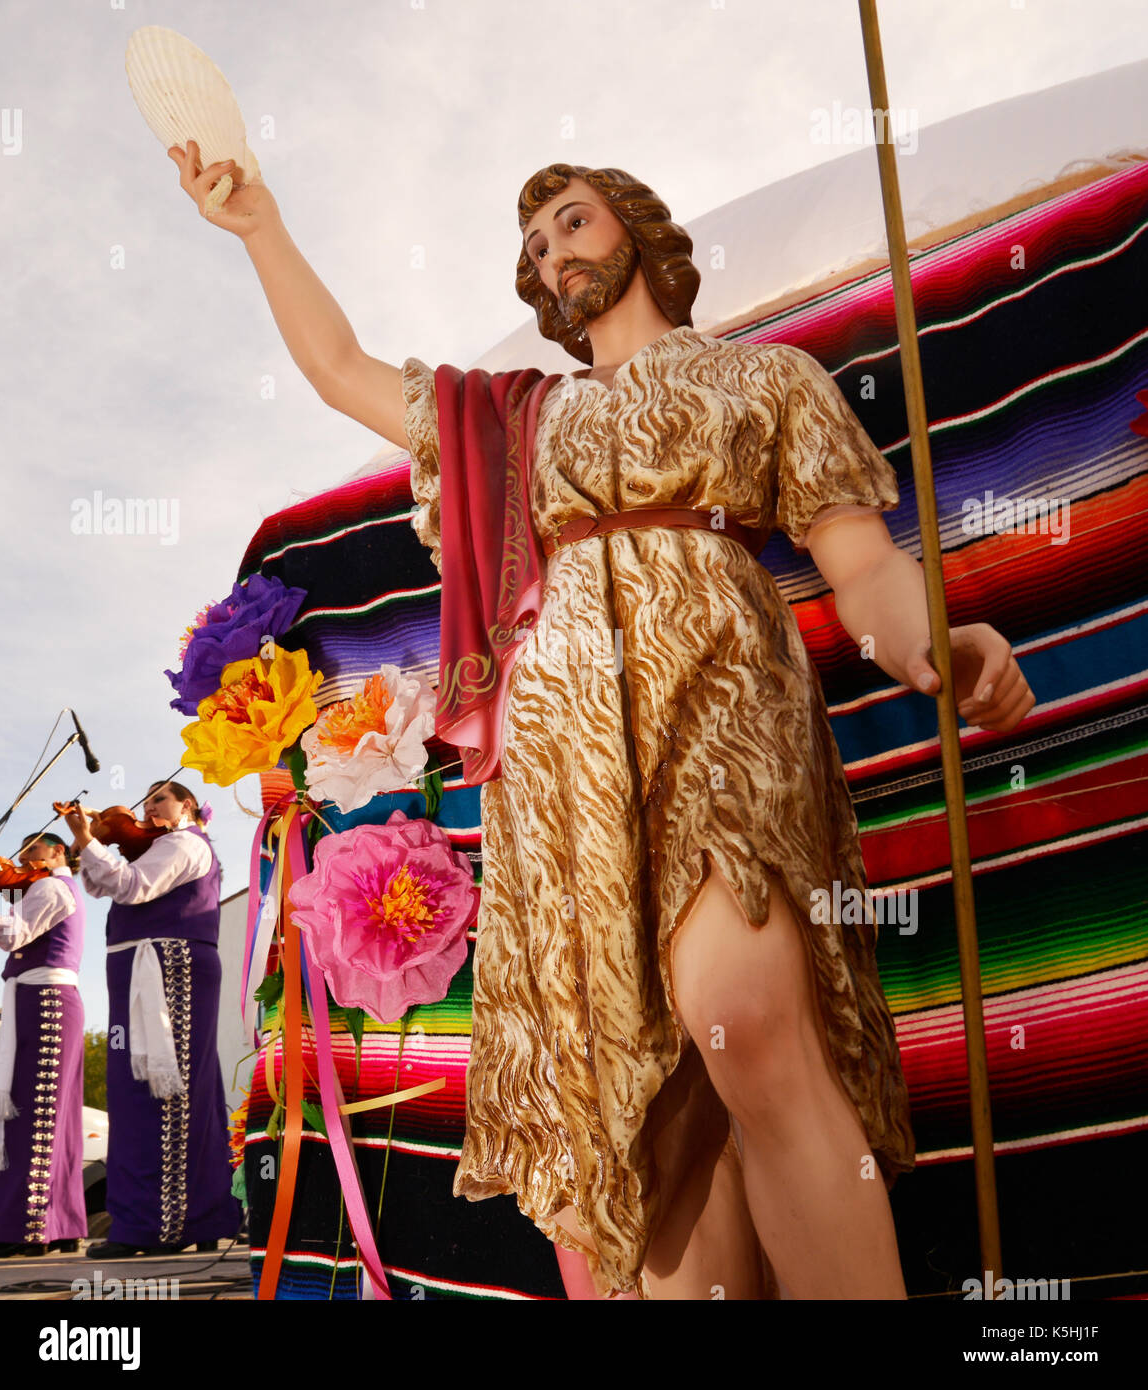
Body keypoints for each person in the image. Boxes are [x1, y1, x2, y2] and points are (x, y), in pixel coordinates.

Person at [167, 145, 1035, 1298]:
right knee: (640, 1103)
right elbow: (338, 369)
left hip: (724, 708)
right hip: (563, 766)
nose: (551, 250)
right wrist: (260, 227)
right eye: (533, 245)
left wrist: (928, 639)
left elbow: (860, 561)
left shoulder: (765, 380)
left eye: (572, 222)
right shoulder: (517, 420)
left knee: (752, 1026)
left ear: (638, 233)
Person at [64, 780, 240, 1257]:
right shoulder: (157, 849)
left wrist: (87, 839)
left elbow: (131, 885)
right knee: (136, 1091)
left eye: (158, 799)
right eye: (144, 803)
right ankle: (194, 1218)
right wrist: (90, 844)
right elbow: (104, 883)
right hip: (142, 970)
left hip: (169, 967)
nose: (147, 809)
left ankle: (156, 1225)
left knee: (165, 1092)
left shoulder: (184, 843)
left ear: (185, 806)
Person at [0, 832, 87, 1257]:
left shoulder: (51, 885)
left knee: (33, 1112)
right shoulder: (52, 886)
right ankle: (60, 1225)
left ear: (58, 852)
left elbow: (15, 933)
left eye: (32, 850)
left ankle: (28, 1227)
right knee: (54, 1116)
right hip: (44, 998)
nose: (23, 858)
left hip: (44, 999)